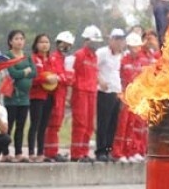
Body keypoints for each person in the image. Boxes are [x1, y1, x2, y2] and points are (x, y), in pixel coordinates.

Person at [113, 32, 152, 163]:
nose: (135, 50)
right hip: (126, 98)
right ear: (128, 47)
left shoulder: (142, 62)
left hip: (138, 98)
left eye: (137, 47)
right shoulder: (123, 60)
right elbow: (118, 79)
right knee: (124, 126)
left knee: (135, 126)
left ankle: (132, 151)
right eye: (133, 47)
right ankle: (119, 152)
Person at [0, 30, 37, 163]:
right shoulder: (7, 56)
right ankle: (5, 153)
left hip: (25, 98)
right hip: (12, 97)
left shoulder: (27, 57)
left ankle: (19, 153)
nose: (19, 41)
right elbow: (13, 73)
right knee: (8, 126)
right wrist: (25, 71)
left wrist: (24, 72)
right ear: (10, 41)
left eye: (21, 38)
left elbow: (34, 73)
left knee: (21, 126)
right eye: (16, 39)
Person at [70, 25, 102, 162]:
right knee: (80, 123)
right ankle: (76, 153)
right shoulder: (79, 55)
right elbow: (72, 74)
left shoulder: (94, 57)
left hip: (91, 92)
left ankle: (84, 152)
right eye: (93, 41)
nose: (96, 44)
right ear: (87, 40)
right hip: (80, 92)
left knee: (89, 124)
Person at [44, 31, 75, 162]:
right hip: (53, 96)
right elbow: (56, 77)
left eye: (69, 45)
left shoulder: (66, 60)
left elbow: (70, 79)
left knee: (57, 125)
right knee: (52, 125)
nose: (66, 47)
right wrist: (63, 78)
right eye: (64, 44)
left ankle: (53, 152)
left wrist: (63, 78)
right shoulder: (52, 58)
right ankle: (49, 153)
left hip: (61, 95)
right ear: (58, 43)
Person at [95, 28, 125, 162]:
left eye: (121, 40)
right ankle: (100, 151)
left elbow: (119, 75)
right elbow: (92, 68)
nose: (119, 43)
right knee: (104, 122)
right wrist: (99, 80)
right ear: (111, 40)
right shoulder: (101, 53)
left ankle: (108, 150)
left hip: (116, 92)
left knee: (113, 124)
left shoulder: (121, 56)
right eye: (116, 39)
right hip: (104, 92)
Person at [28, 34, 55, 162]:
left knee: (44, 125)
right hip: (36, 95)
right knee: (35, 124)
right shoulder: (32, 59)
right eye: (41, 42)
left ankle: (40, 152)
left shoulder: (51, 60)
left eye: (47, 42)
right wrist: (45, 78)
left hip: (49, 96)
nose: (44, 44)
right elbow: (32, 77)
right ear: (36, 45)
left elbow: (56, 75)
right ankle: (31, 152)